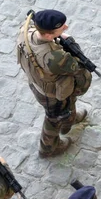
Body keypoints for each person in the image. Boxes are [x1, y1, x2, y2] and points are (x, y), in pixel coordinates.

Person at [16, 9, 91, 157]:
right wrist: (70, 41)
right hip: (51, 94)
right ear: (49, 35)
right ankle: (48, 148)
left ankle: (70, 117)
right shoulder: (55, 57)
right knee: (54, 118)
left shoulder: (26, 31)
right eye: (61, 28)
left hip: (36, 82)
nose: (66, 28)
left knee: (67, 105)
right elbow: (78, 66)